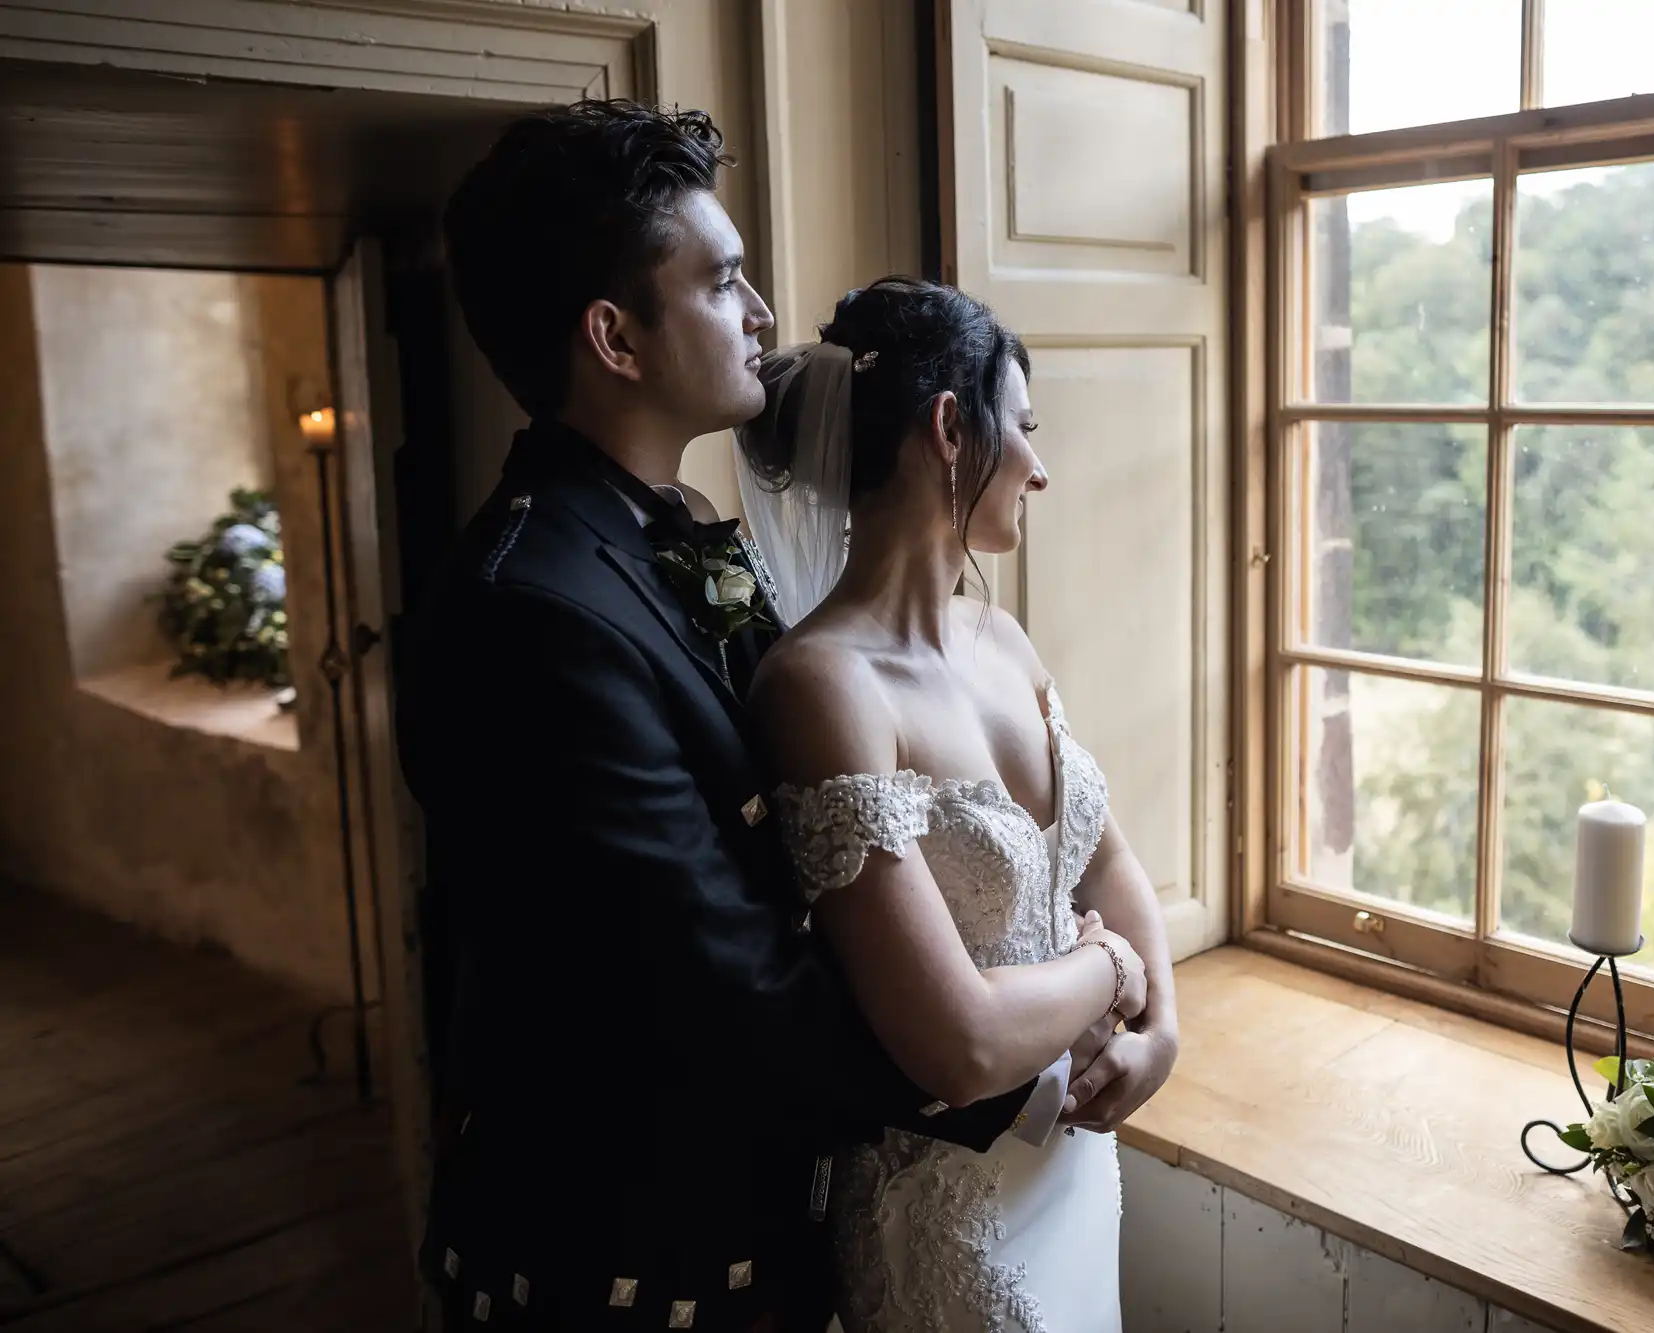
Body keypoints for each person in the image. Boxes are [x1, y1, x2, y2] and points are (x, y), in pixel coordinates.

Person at [398, 101, 1148, 1331]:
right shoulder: (530, 612)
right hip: (628, 1256)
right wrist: (1042, 1027)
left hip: (771, 1216)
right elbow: (736, 987)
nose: (760, 316)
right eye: (724, 282)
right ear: (614, 337)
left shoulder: (680, 543)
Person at [736, 279, 1181, 1332]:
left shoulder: (1002, 641)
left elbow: (1107, 859)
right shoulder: (822, 687)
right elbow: (961, 1044)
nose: (1040, 464)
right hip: (946, 1211)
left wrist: (1160, 1031)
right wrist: (1114, 969)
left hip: (1071, 1174)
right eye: (1021, 427)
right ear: (949, 428)